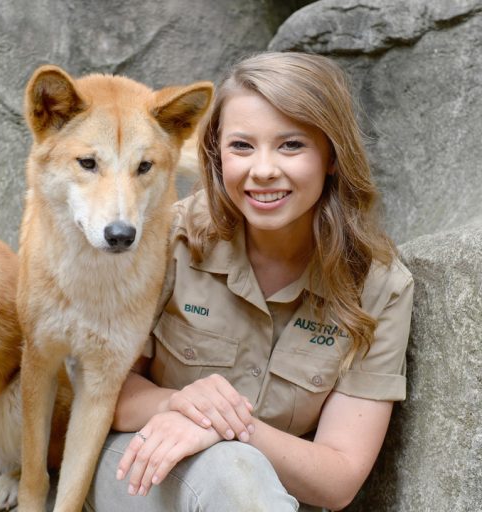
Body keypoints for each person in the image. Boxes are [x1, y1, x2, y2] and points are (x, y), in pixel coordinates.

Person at [84, 52, 414, 511]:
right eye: (242, 146)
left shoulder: (379, 287)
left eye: (291, 145)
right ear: (217, 154)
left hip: (264, 491)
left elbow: (339, 478)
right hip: (138, 465)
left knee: (240, 469)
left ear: (333, 156)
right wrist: (177, 404)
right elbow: (102, 391)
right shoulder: (164, 239)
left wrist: (224, 424)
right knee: (233, 471)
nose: (263, 170)